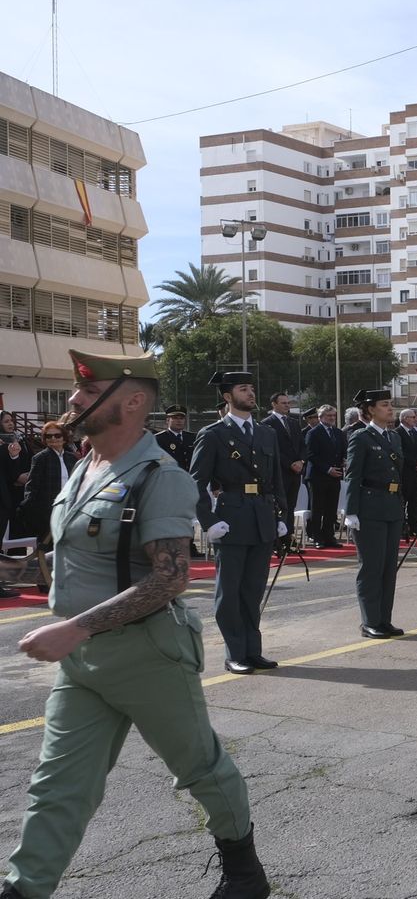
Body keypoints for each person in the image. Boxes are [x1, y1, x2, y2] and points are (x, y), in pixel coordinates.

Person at [1, 349, 269, 899]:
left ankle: (245, 873)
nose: (73, 399)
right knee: (57, 785)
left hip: (147, 652)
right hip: (84, 662)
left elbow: (171, 579)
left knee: (200, 768)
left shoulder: (158, 476)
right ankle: (24, 889)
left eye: (87, 391)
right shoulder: (86, 466)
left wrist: (76, 628)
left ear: (132, 402)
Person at [191, 371, 289, 675]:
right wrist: (209, 521)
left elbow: (276, 480)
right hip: (231, 518)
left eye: (252, 388)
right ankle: (235, 652)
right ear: (227, 396)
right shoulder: (213, 434)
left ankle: (252, 650)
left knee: (253, 590)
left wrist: (281, 515)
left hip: (262, 516)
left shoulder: (266, 433)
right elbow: (196, 482)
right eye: (243, 389)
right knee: (229, 591)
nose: (250, 393)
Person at [343, 389, 406, 639]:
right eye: (384, 405)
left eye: (390, 404)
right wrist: (351, 511)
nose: (390, 409)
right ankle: (370, 621)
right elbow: (353, 476)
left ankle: (384, 619)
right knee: (371, 567)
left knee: (389, 568)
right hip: (369, 509)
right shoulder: (361, 437)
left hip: (392, 506)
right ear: (370, 410)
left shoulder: (394, 437)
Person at [17, 423, 77, 549]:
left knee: (68, 546)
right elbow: (31, 487)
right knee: (47, 549)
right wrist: (29, 509)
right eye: (49, 436)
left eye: (57, 435)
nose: (53, 438)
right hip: (47, 512)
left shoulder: (72, 458)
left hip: (69, 509)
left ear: (64, 438)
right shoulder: (40, 458)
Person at [303, 405, 346, 549]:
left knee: (331, 509)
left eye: (334, 415)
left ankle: (329, 536)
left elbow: (343, 450)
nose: (332, 418)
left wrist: (344, 460)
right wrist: (328, 469)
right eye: (329, 416)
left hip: (335, 476)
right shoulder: (313, 433)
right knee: (317, 508)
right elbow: (311, 455)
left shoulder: (338, 432)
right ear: (321, 417)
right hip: (318, 477)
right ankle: (317, 537)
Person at [262, 392, 306, 527]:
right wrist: (290, 464)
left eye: (288, 403)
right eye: (283, 403)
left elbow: (302, 446)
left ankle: (289, 536)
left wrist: (301, 461)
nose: (287, 406)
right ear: (274, 404)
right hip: (280, 472)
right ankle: (278, 536)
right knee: (279, 506)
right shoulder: (267, 424)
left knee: (291, 505)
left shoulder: (294, 423)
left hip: (295, 473)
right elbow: (271, 449)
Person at [397, 408, 417, 537]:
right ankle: (402, 528)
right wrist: (415, 463)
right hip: (405, 473)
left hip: (416, 474)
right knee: (403, 502)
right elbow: (400, 453)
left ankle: (414, 526)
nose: (415, 420)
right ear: (405, 418)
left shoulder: (414, 432)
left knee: (414, 502)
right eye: (412, 417)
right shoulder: (397, 433)